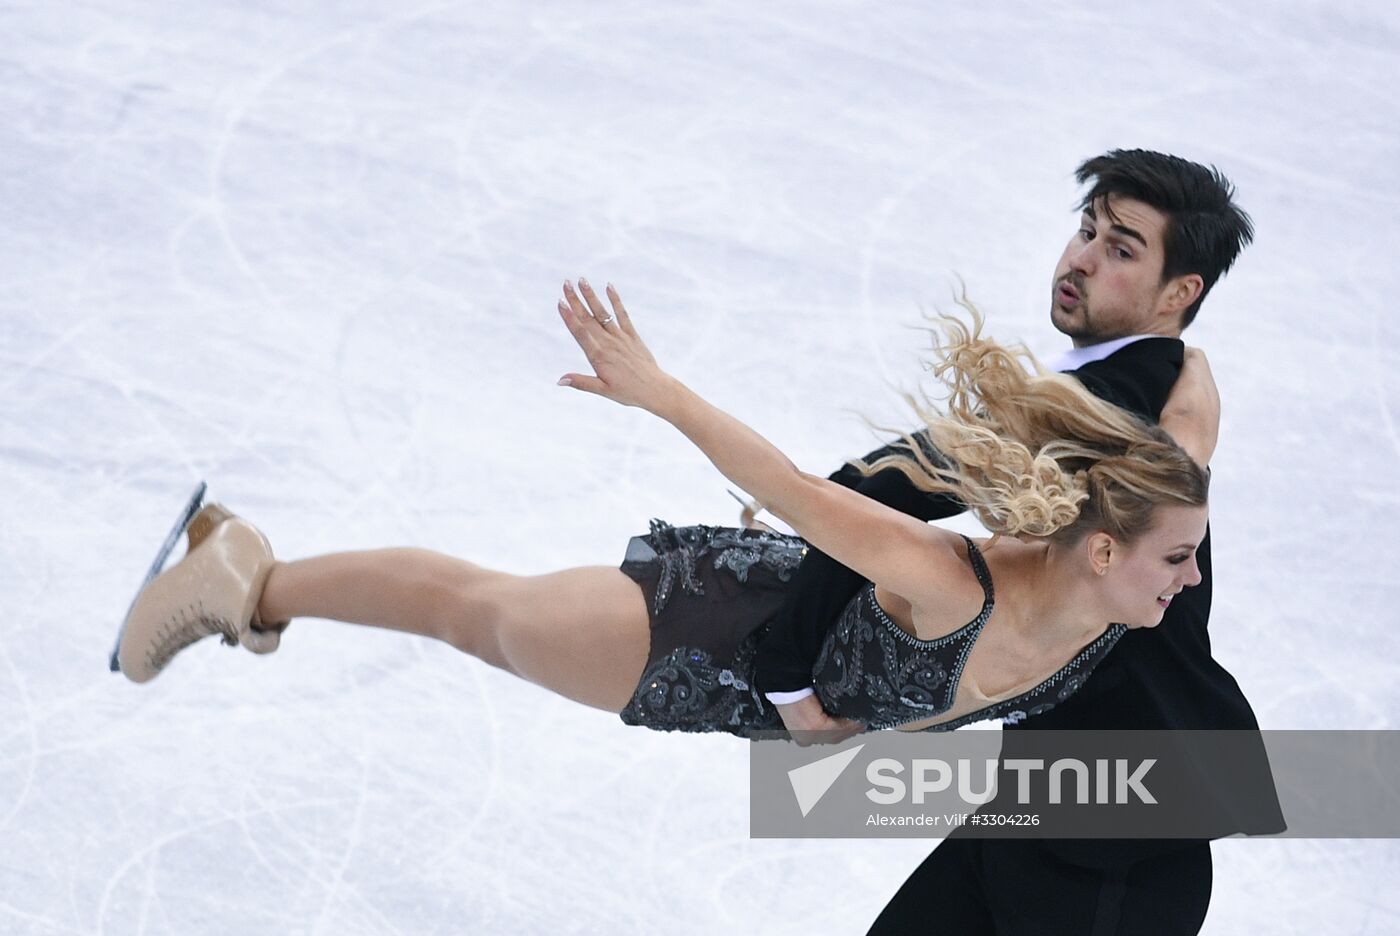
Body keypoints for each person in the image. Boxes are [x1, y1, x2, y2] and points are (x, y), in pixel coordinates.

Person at [114, 274, 1217, 755]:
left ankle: (250, 579)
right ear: (1102, 548)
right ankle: (246, 579)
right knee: (475, 612)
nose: (1189, 585)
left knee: (480, 618)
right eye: (1176, 560)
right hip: (701, 643)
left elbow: (1185, 436)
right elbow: (797, 493)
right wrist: (663, 393)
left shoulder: (1105, 613)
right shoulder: (949, 583)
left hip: (747, 695)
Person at [741, 149, 1278, 934]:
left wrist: (791, 678)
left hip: (1117, 843)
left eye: (1121, 249)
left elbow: (863, 504)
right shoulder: (1153, 380)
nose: (1082, 260)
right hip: (1052, 801)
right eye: (1087, 231)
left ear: (1181, 292)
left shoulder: (1107, 401)